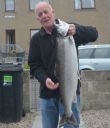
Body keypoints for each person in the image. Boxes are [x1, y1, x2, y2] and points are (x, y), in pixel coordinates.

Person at [28, 2, 98, 128]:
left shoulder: (69, 30)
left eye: (46, 12)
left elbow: (94, 34)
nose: (44, 15)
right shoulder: (36, 39)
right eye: (40, 14)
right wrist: (44, 79)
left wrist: (77, 30)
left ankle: (68, 115)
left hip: (70, 93)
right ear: (38, 19)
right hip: (47, 95)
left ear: (53, 12)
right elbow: (34, 65)